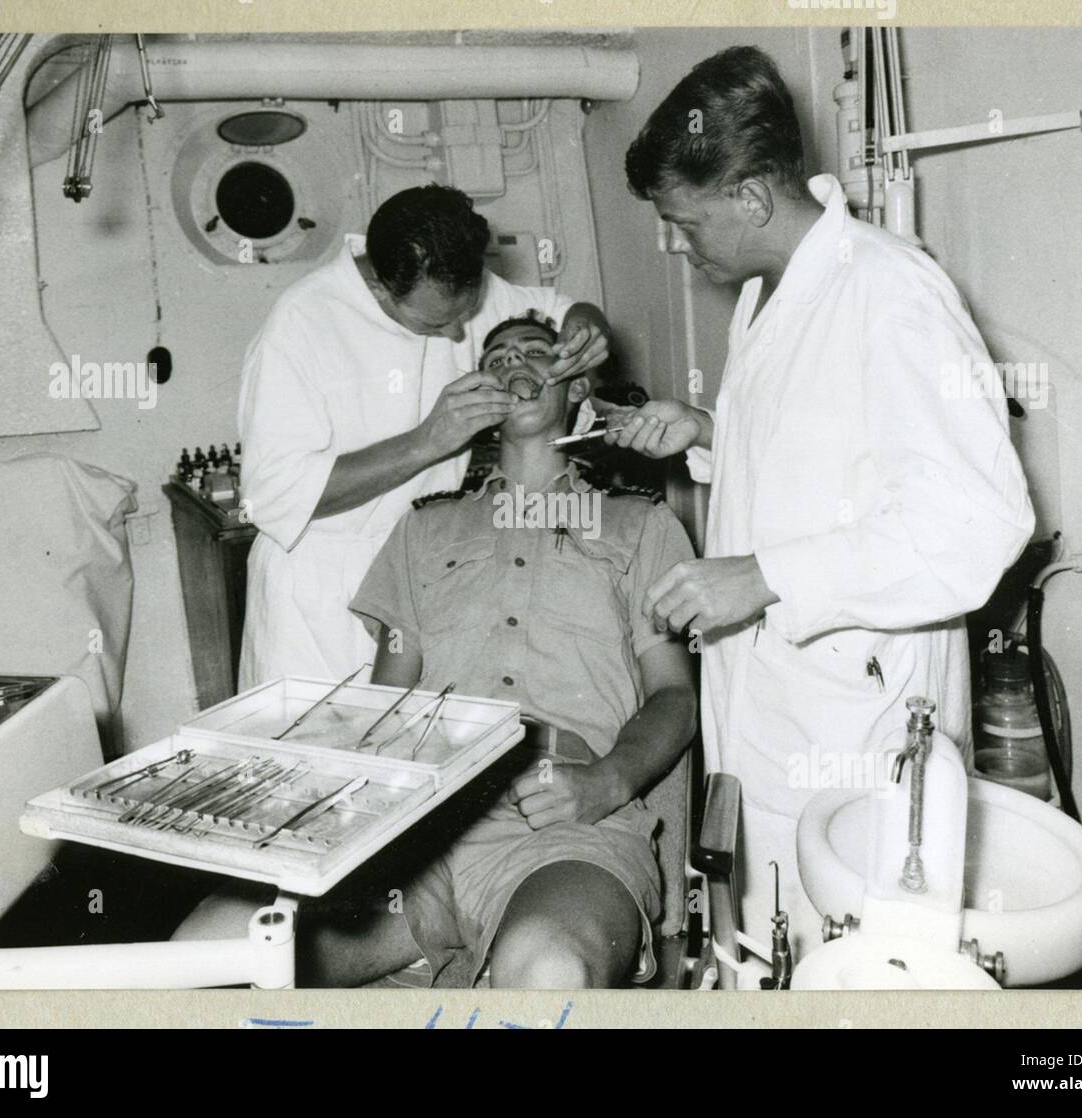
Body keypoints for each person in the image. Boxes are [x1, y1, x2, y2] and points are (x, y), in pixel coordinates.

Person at [599, 46, 1036, 954]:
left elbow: (976, 525)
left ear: (752, 197)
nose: (679, 243)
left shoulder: (890, 294)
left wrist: (765, 577)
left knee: (855, 958)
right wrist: (710, 429)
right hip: (775, 707)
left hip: (856, 720)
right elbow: (832, 458)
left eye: (685, 220)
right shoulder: (775, 292)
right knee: (773, 947)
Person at [294, 311, 697, 988]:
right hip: (422, 821)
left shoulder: (639, 523)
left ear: (575, 388)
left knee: (549, 967)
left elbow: (674, 697)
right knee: (226, 947)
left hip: (565, 816)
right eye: (496, 356)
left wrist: (606, 783)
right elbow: (386, 705)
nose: (514, 363)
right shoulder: (424, 529)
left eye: (537, 352)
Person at [236, 184, 612, 689]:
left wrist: (585, 328)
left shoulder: (451, 280)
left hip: (422, 575)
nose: (461, 333)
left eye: (468, 310)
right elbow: (272, 497)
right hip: (319, 600)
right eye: (437, 323)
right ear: (380, 287)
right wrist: (427, 442)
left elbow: (564, 309)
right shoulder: (302, 321)